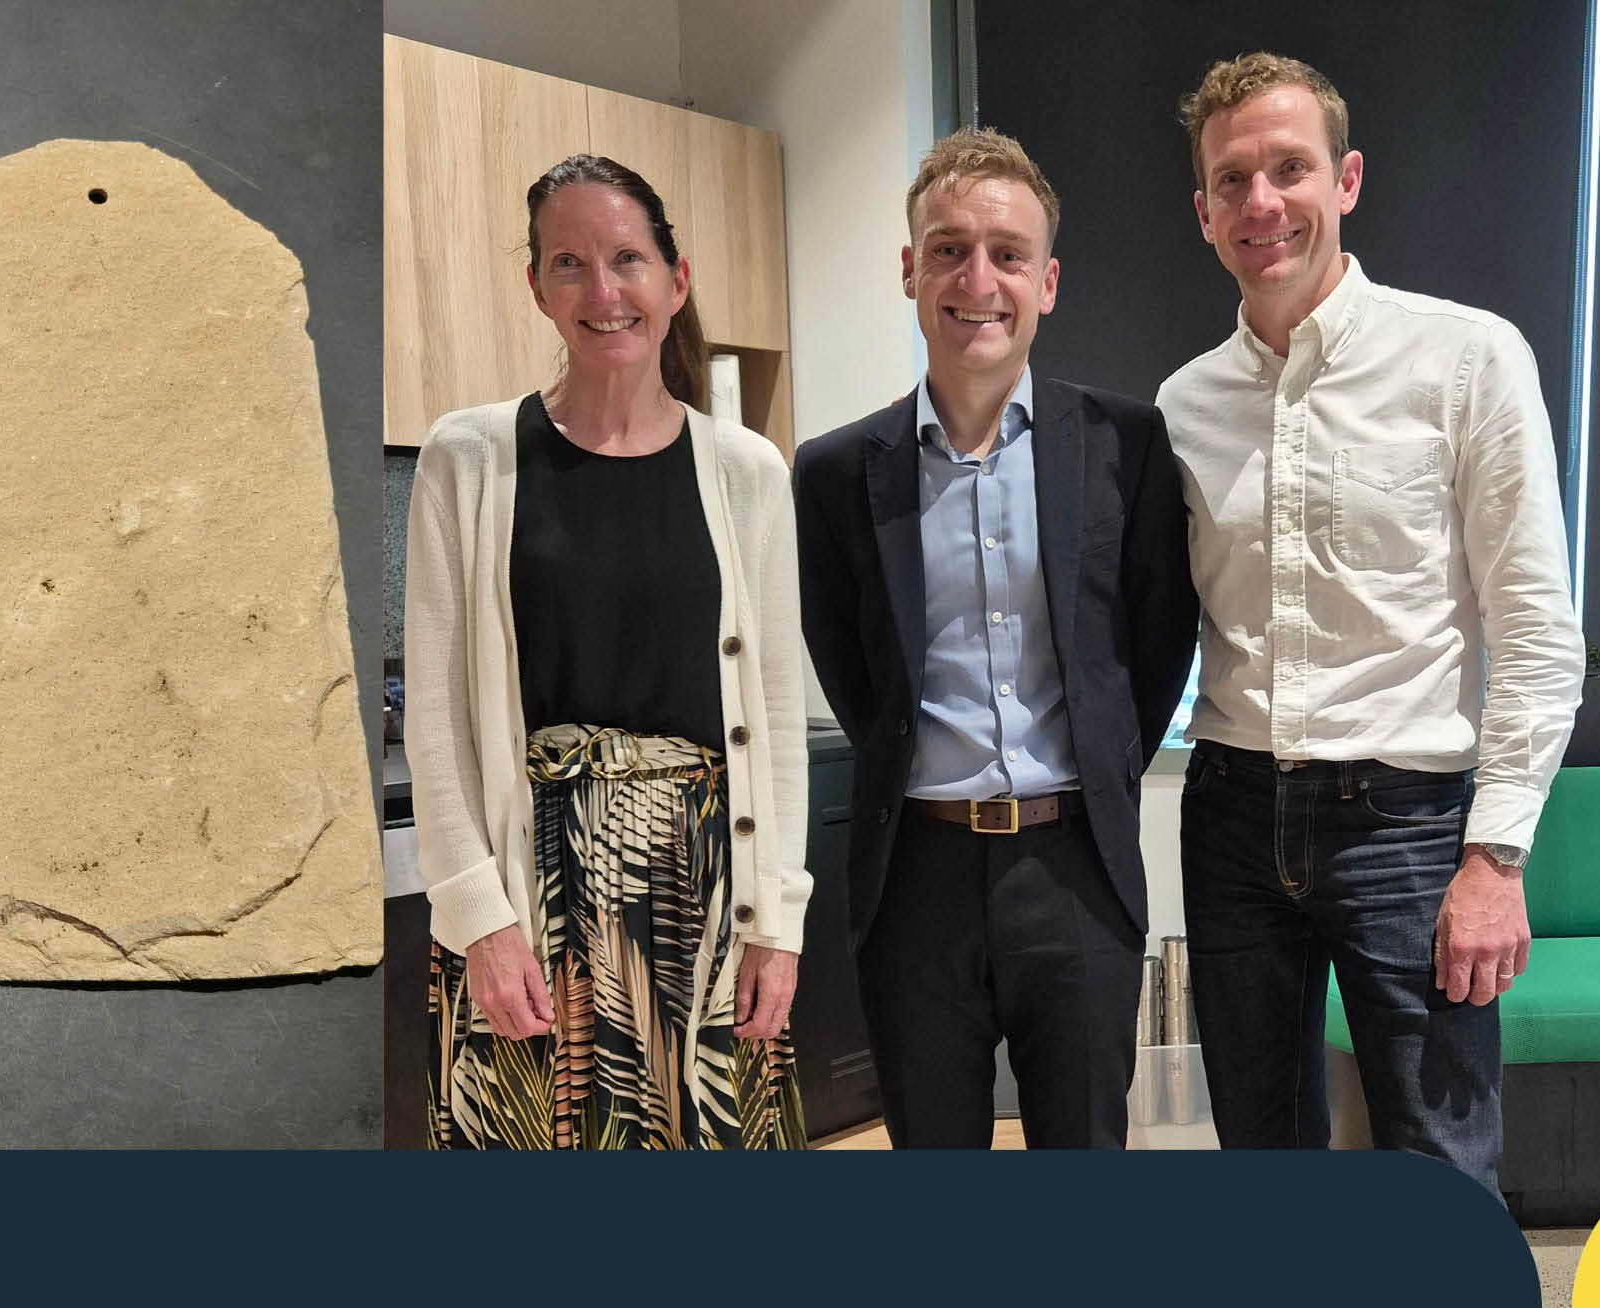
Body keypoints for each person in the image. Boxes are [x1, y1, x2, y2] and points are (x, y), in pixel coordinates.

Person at [1157, 53, 1582, 1191]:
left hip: (1406, 825)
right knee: (1263, 1158)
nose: (1262, 202)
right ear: (1202, 214)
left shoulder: (1466, 358)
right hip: (1232, 815)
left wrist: (1495, 857)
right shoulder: (1182, 406)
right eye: (1231, 179)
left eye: (1287, 168)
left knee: (1439, 1164)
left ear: (1343, 178)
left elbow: (1537, 627)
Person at [792, 128, 1197, 1148]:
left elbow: (1151, 649)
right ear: (908, 270)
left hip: (1075, 873)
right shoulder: (834, 475)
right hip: (913, 882)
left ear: (1046, 281)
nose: (979, 279)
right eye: (948, 248)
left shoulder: (1125, 445)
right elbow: (852, 671)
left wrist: (1096, 776)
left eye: (1007, 253)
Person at [403, 154, 812, 1149]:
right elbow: (436, 723)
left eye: (626, 259)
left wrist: (777, 924)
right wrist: (478, 922)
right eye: (569, 263)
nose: (603, 290)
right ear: (537, 287)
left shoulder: (748, 471)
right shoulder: (468, 459)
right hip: (526, 896)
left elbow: (776, 715)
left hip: (705, 898)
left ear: (675, 281)